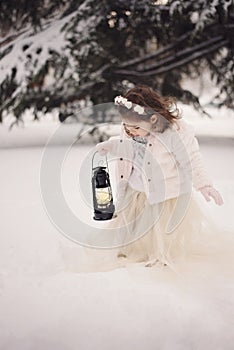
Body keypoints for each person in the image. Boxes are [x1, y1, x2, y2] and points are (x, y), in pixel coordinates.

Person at [92, 84, 229, 273]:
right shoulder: (131, 129)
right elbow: (126, 147)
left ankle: (160, 254)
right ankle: (132, 249)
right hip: (136, 189)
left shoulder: (174, 133)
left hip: (164, 193)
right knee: (132, 225)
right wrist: (112, 146)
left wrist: (203, 184)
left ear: (153, 119)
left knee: (158, 229)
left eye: (135, 127)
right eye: (125, 125)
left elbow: (191, 159)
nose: (129, 130)